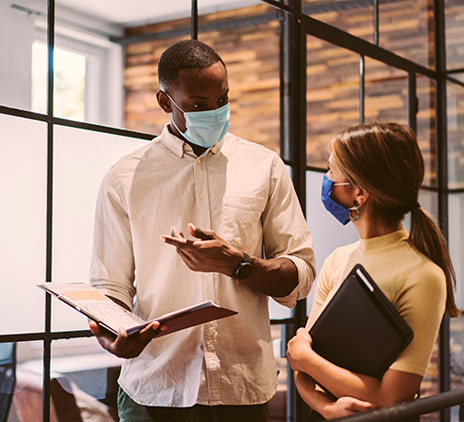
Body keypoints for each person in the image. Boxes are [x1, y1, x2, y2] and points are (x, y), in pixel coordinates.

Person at [88, 39, 316, 422]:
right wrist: (112, 334)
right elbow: (109, 284)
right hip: (154, 389)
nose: (215, 112)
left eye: (223, 99)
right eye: (197, 105)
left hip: (242, 389)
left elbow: (301, 273)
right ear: (165, 102)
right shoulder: (124, 178)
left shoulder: (265, 167)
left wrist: (238, 264)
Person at [286, 121, 460, 421]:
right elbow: (303, 372)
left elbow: (393, 396)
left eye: (331, 172)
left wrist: (306, 359)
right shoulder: (337, 260)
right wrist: (327, 407)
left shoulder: (424, 275)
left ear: (359, 194)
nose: (325, 180)